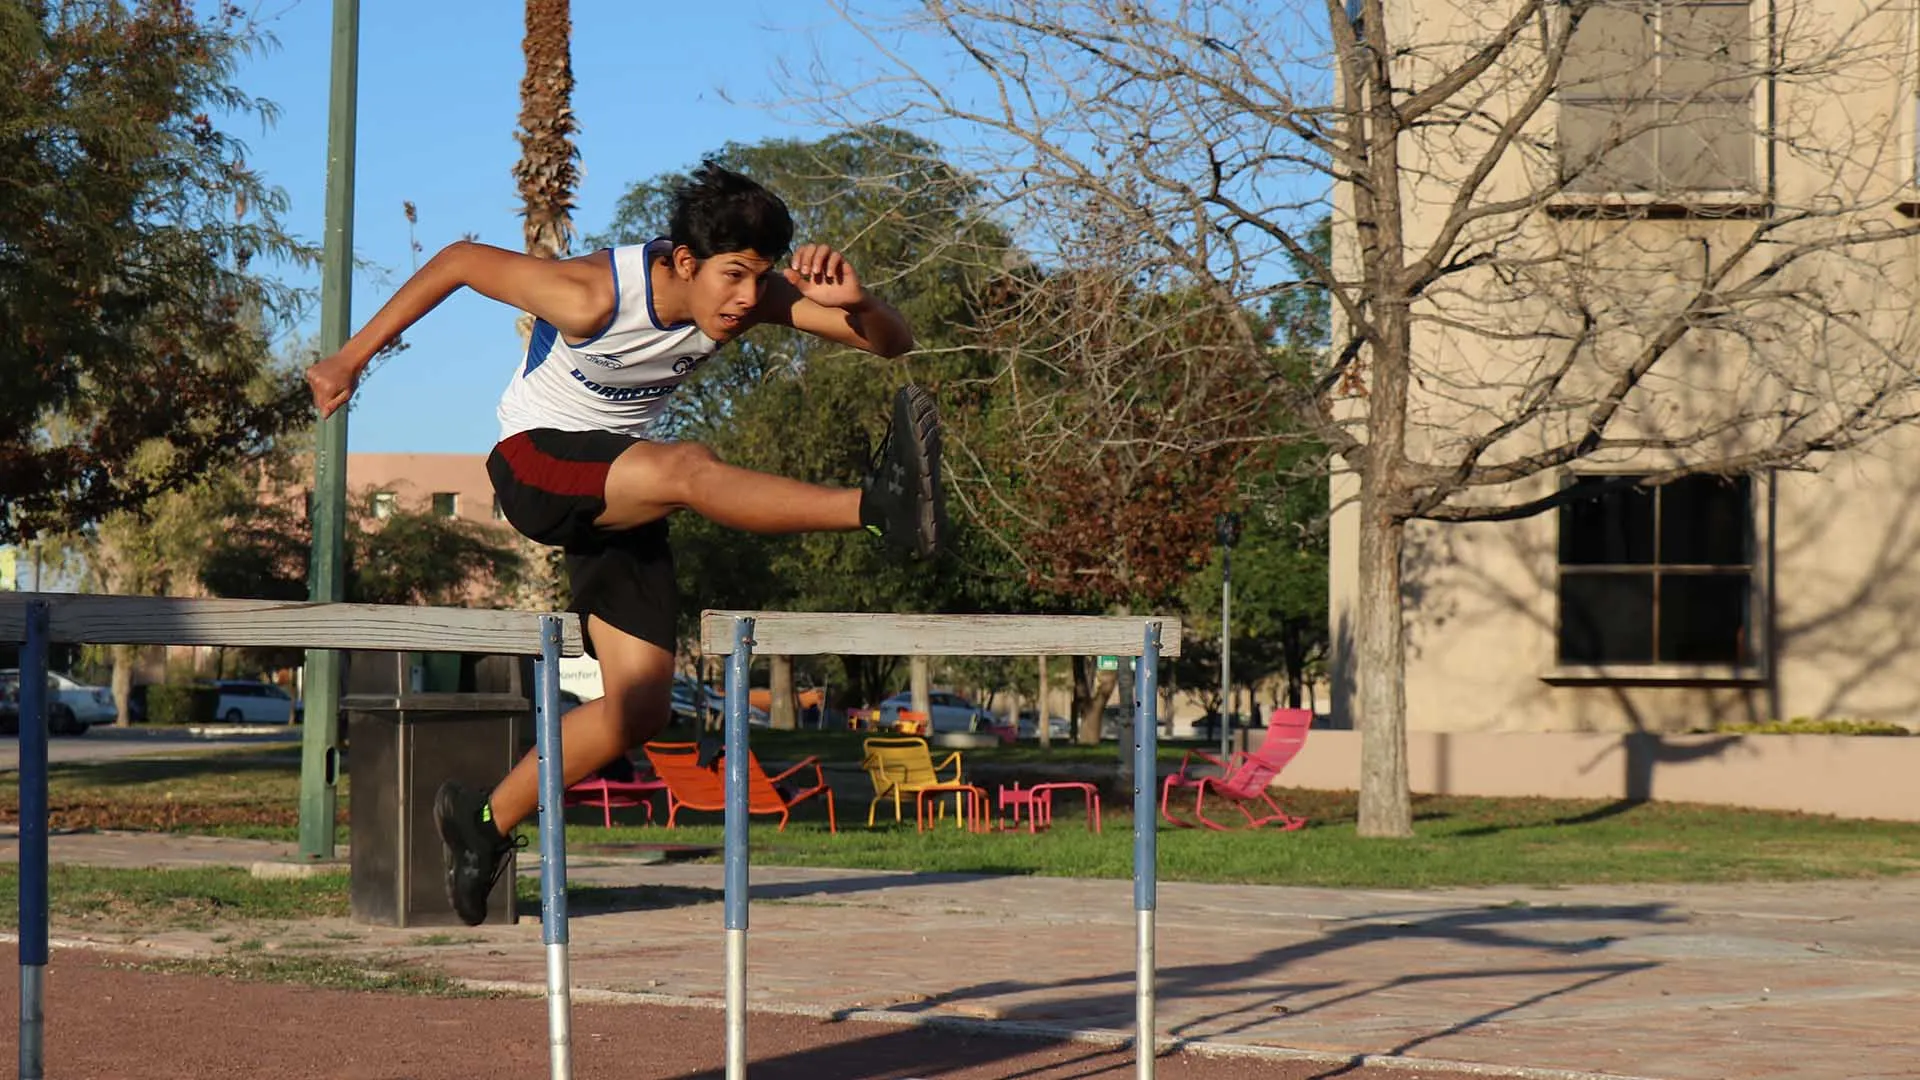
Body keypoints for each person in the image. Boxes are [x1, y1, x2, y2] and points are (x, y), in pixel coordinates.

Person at [304, 161, 944, 925]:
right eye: (732, 277)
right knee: (688, 467)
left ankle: (482, 823)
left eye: (760, 279)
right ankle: (877, 508)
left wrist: (860, 302)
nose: (745, 300)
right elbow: (460, 262)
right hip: (536, 465)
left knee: (638, 706)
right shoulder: (592, 295)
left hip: (618, 487)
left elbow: (892, 345)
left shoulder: (752, 296)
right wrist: (351, 356)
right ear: (682, 261)